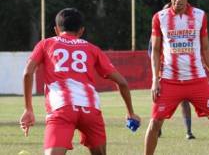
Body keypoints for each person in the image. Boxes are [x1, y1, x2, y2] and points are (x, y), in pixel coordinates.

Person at [19, 8, 141, 155]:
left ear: (56, 30)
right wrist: (130, 112)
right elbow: (122, 83)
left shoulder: (46, 44)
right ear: (81, 31)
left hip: (62, 108)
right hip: (90, 109)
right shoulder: (92, 49)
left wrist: (28, 109)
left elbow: (27, 73)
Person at [144, 0, 209, 155]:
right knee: (155, 123)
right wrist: (155, 79)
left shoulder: (200, 16)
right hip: (169, 81)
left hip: (197, 80)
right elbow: (156, 50)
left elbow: (205, 48)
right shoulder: (159, 18)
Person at [148, 2, 196, 140]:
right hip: (164, 71)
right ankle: (158, 129)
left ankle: (188, 131)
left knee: (185, 100)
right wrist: (156, 73)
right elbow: (152, 52)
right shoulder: (158, 30)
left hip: (181, 71)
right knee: (159, 98)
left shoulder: (182, 29)